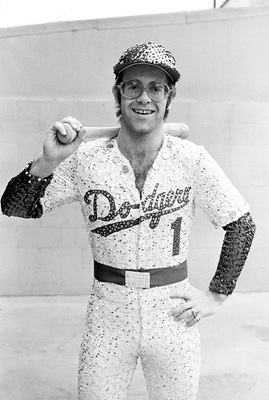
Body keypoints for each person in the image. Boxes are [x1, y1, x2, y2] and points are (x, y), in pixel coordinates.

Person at [1, 41, 256, 400]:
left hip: (173, 313)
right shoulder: (84, 159)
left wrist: (216, 296)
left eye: (156, 87)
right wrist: (47, 161)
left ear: (170, 97)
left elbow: (241, 224)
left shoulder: (191, 159)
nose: (144, 98)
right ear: (118, 93)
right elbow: (15, 206)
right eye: (133, 85)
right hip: (108, 310)